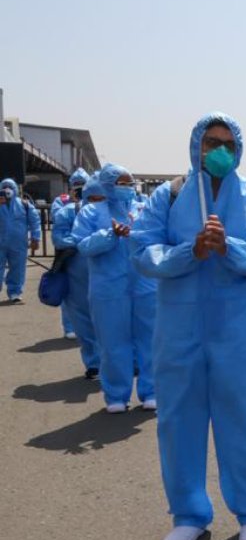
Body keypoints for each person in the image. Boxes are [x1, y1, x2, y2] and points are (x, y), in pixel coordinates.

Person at [131, 114, 246, 540]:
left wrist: (230, 247)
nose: (218, 150)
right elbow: (142, 251)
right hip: (179, 326)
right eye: (210, 142)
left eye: (227, 143)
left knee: (245, 419)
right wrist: (190, 251)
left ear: (238, 149)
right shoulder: (170, 194)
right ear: (196, 144)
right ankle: (189, 514)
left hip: (240, 328)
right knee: (179, 420)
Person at [75, 164, 156, 414]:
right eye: (121, 183)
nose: (127, 187)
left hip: (145, 285)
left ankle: (151, 391)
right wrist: (109, 234)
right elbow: (83, 245)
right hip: (109, 287)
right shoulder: (90, 212)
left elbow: (158, 238)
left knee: (150, 340)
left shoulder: (143, 209)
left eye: (129, 183)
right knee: (112, 342)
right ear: (108, 185)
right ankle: (116, 395)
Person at [53, 175, 101, 379]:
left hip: (108, 272)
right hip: (77, 272)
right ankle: (94, 363)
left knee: (115, 319)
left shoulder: (113, 211)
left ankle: (123, 362)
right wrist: (84, 240)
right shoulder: (66, 212)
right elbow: (59, 238)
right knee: (82, 318)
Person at [52, 168, 90, 336]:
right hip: (70, 256)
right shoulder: (62, 204)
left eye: (84, 187)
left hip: (92, 257)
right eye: (77, 187)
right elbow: (58, 232)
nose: (80, 190)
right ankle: (70, 327)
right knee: (70, 293)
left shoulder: (97, 203)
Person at [0, 177, 40, 303]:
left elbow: (35, 222)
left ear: (15, 189)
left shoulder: (24, 204)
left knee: (17, 268)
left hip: (18, 244)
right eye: (4, 187)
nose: (7, 190)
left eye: (10, 187)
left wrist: (36, 238)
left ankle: (15, 292)